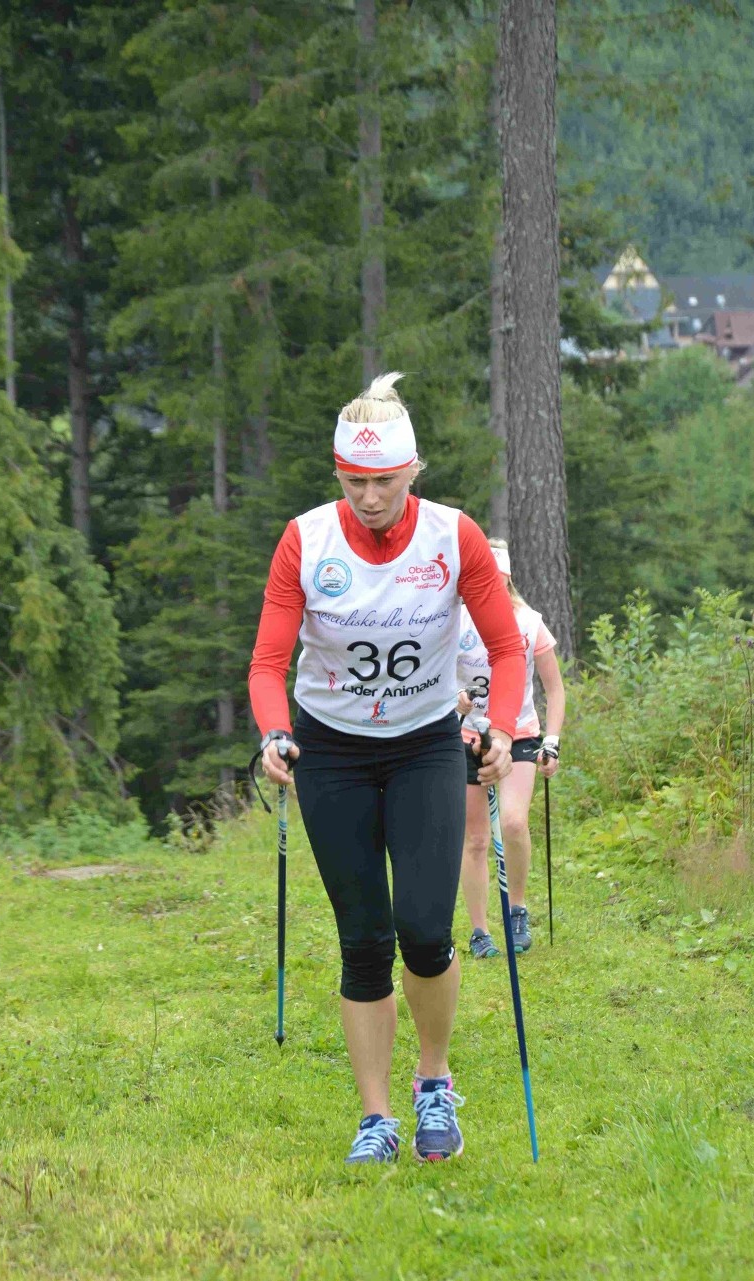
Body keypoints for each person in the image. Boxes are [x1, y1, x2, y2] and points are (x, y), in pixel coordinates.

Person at [249, 373, 526, 1165]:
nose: (369, 497)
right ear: (338, 475)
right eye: (353, 481)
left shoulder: (453, 536)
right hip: (331, 750)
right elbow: (269, 662)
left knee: (426, 929)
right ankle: (376, 1116)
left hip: (425, 746)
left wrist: (500, 727)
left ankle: (433, 1080)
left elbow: (506, 649)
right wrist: (275, 732)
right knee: (364, 938)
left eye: (384, 481)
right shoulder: (306, 539)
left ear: (414, 471)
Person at [456, 539, 565, 958]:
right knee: (476, 839)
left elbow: (554, 689)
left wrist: (551, 742)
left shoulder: (529, 621)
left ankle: (517, 908)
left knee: (515, 823)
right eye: (483, 580)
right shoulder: (456, 621)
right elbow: (438, 678)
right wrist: (457, 700)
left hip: (519, 733)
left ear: (508, 579)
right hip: (470, 736)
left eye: (498, 580)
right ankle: (480, 930)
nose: (491, 587)